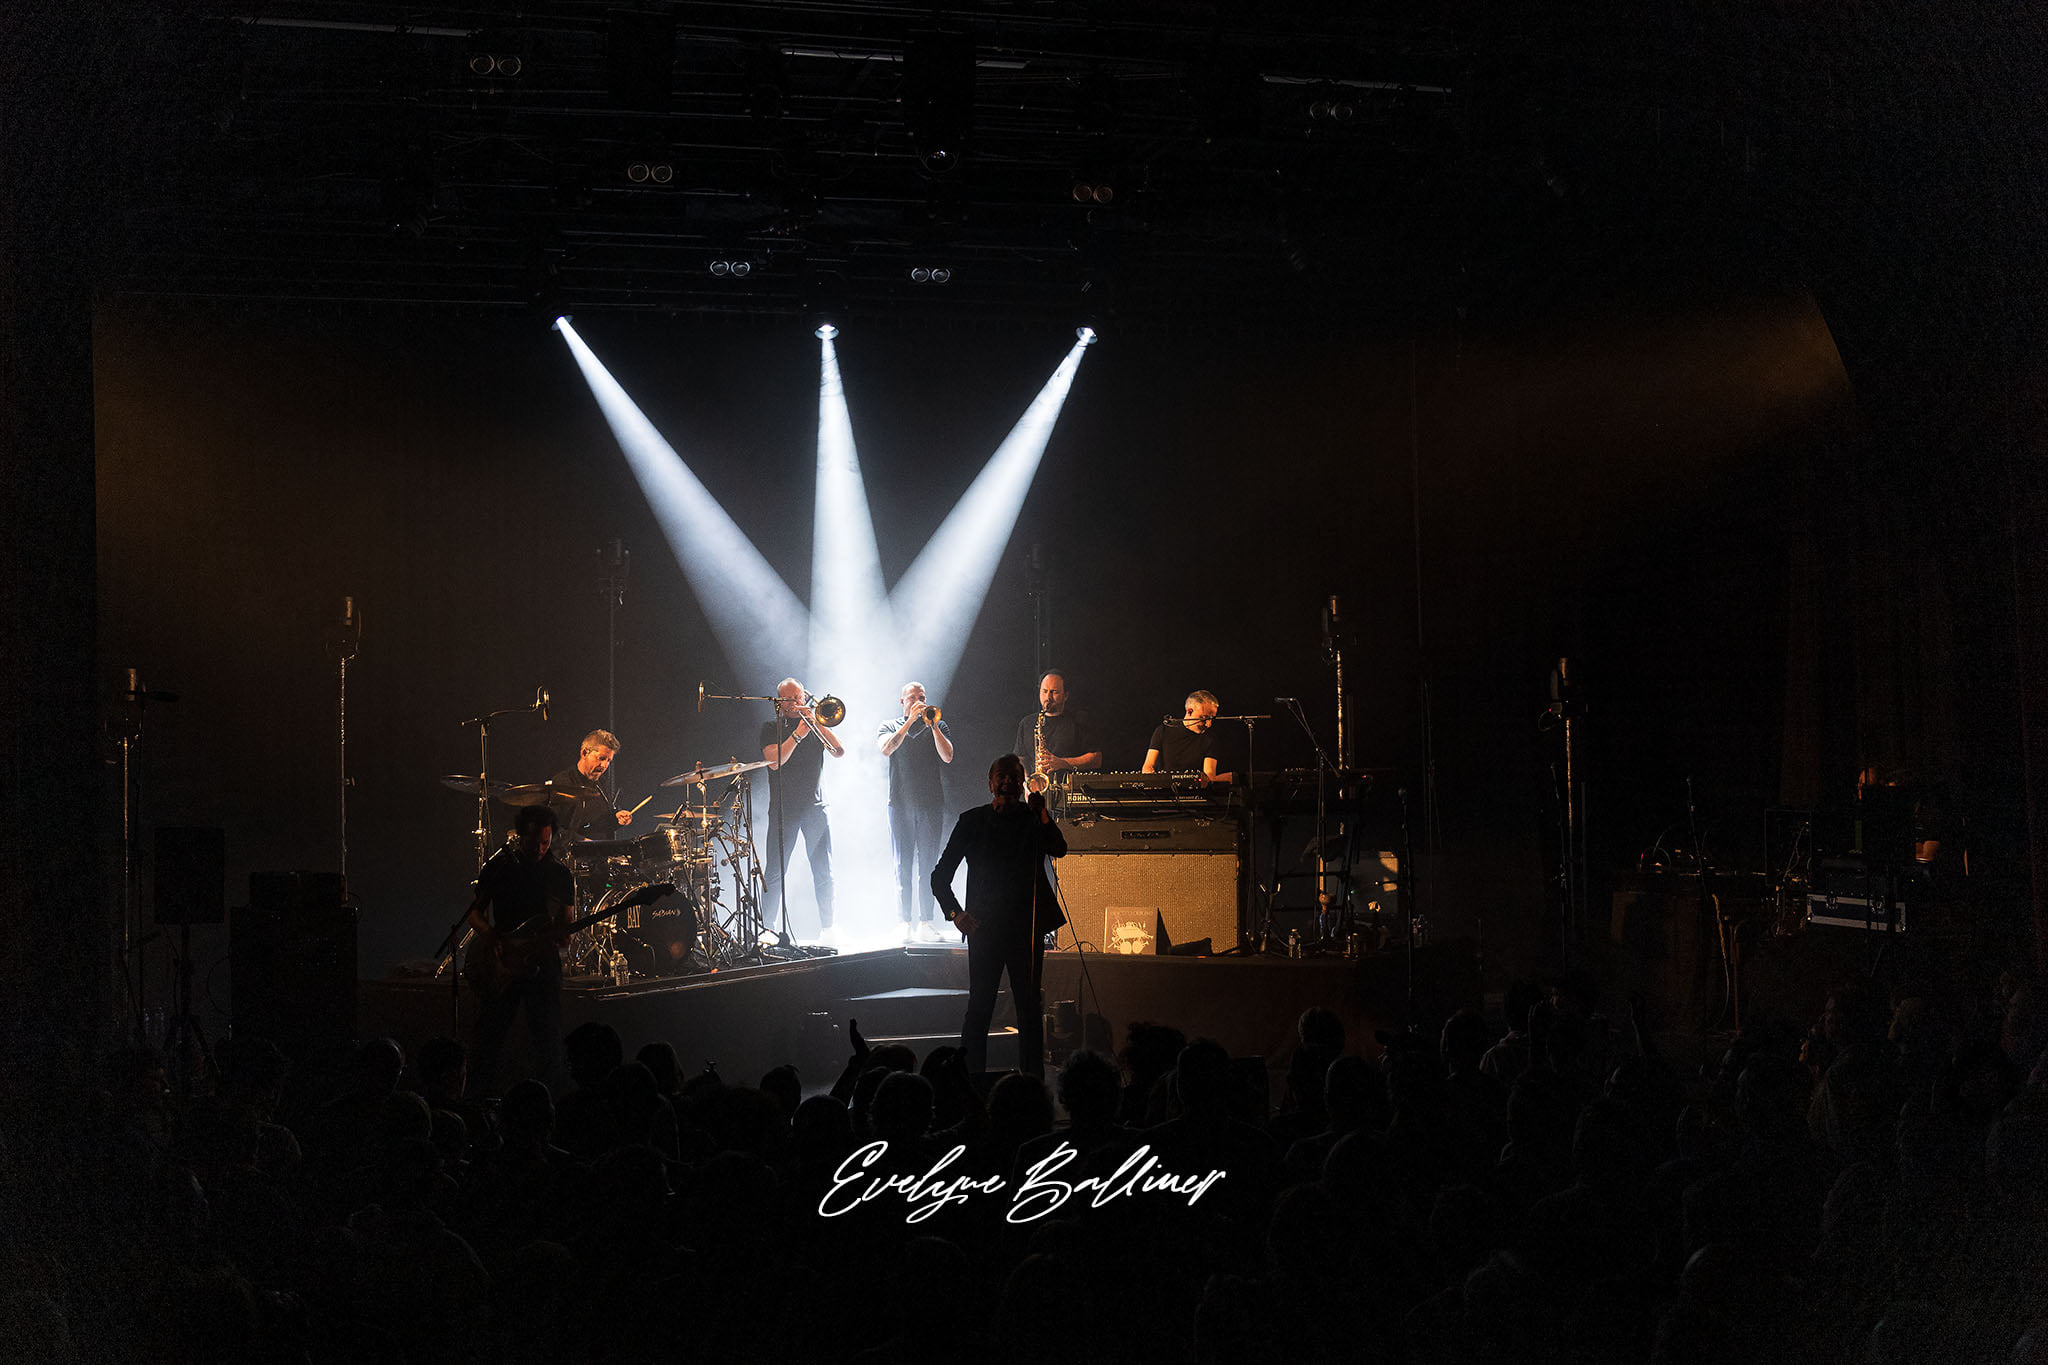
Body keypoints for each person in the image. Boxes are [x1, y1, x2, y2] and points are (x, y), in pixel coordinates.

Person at [931, 753, 1068, 1078]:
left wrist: (1043, 814)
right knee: (980, 1006)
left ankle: (1031, 1081)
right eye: (1001, 777)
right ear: (990, 783)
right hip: (984, 929)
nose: (1007, 782)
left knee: (1029, 1007)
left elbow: (1059, 848)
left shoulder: (1032, 819)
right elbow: (940, 876)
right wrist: (956, 914)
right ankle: (970, 1078)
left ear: (1022, 785)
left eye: (1013, 777)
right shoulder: (972, 821)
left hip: (1025, 928)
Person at [464, 804, 576, 1095]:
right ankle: (478, 1096)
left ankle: (548, 1099)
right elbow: (474, 914)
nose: (539, 849)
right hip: (504, 962)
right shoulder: (499, 868)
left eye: (545, 843)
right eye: (533, 841)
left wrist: (563, 936)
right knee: (489, 1037)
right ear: (520, 836)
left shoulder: (560, 874)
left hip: (543, 964)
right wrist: (491, 936)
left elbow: (567, 921)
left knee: (548, 1039)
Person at [761, 677, 845, 942]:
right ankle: (767, 929)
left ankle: (829, 928)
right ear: (779, 702)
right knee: (775, 871)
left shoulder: (814, 724)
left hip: (815, 808)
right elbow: (775, 762)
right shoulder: (771, 728)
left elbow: (838, 750)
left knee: (823, 870)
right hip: (784, 809)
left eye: (798, 697)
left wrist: (816, 724)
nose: (795, 703)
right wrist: (798, 734)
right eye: (789, 699)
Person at [877, 681, 954, 942]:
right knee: (902, 864)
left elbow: (948, 756)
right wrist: (910, 721)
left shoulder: (938, 724)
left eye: (922, 697)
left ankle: (926, 922)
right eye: (912, 697)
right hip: (899, 805)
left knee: (929, 865)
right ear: (902, 701)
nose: (918, 701)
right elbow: (886, 748)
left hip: (931, 804)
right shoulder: (889, 725)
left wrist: (933, 726)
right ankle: (904, 922)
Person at [547, 728, 635, 843]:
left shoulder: (602, 783)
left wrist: (616, 818)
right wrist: (581, 841)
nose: (604, 765)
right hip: (573, 850)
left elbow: (601, 823)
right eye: (601, 758)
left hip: (602, 849)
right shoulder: (564, 781)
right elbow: (552, 827)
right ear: (584, 753)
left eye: (609, 760)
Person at [1011, 671, 1100, 784]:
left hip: (1070, 788)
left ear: (1065, 696)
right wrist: (1027, 782)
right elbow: (1020, 759)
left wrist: (1063, 763)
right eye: (1044, 691)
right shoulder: (1027, 723)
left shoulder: (1080, 720)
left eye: (1054, 692)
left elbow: (1096, 759)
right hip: (1037, 790)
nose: (1048, 697)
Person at [1142, 690, 1222, 779]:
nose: (1208, 724)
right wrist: (1154, 781)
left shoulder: (1210, 739)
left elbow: (1209, 775)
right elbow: (1148, 766)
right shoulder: (1163, 731)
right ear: (1190, 711)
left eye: (1212, 718)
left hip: (1194, 788)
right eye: (1204, 718)